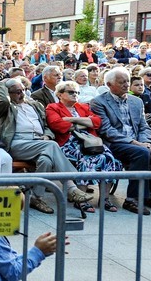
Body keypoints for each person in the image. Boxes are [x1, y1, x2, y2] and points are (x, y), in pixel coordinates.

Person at [0, 78, 92, 213]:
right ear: (8, 93)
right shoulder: (6, 107)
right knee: (51, 146)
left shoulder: (35, 105)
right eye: (17, 92)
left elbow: (46, 125)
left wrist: (47, 135)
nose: (21, 94)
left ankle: (35, 197)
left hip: (40, 142)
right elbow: (3, 100)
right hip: (18, 143)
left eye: (23, 90)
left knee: (45, 160)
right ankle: (71, 187)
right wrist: (2, 82)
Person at [91, 68, 151, 215]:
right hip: (115, 143)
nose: (126, 85)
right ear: (109, 84)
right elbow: (107, 131)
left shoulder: (136, 101)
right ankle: (132, 199)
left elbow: (144, 126)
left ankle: (149, 195)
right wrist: (136, 143)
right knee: (141, 153)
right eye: (121, 82)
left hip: (140, 141)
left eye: (127, 81)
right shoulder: (99, 102)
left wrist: (146, 141)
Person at [45, 81, 123, 213]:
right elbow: (57, 124)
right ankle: (81, 199)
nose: (75, 95)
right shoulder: (53, 107)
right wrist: (85, 122)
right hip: (69, 142)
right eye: (71, 92)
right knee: (85, 158)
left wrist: (71, 120)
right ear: (59, 94)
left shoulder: (83, 107)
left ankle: (104, 199)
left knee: (110, 158)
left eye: (77, 92)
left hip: (91, 141)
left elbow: (97, 122)